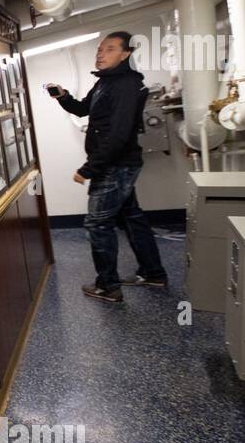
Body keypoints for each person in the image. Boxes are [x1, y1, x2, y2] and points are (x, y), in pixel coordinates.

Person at [48, 31, 166, 303]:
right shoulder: (105, 82)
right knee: (132, 218)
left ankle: (107, 286)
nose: (101, 53)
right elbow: (81, 109)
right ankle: (153, 273)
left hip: (115, 166)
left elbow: (119, 135)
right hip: (119, 164)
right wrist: (63, 97)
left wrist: (89, 168)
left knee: (98, 225)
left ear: (125, 54)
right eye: (100, 49)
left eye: (109, 49)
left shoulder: (125, 85)